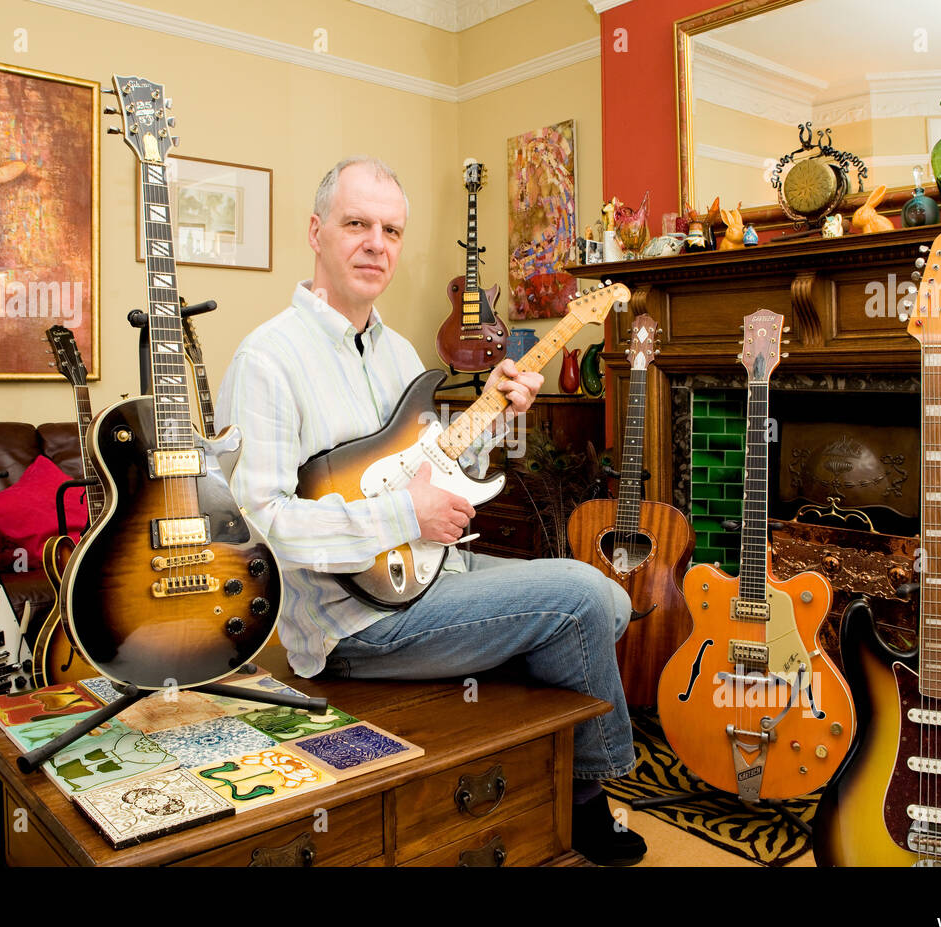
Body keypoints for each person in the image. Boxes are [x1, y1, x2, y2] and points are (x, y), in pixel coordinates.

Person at [216, 156, 644, 865]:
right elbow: (259, 525)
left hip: (428, 571)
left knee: (607, 598)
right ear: (317, 231)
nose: (375, 243)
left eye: (391, 229)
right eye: (357, 224)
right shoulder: (267, 359)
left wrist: (499, 419)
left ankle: (546, 769)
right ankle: (588, 798)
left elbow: (442, 472)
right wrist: (401, 519)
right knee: (579, 599)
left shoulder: (401, 354)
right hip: (354, 623)